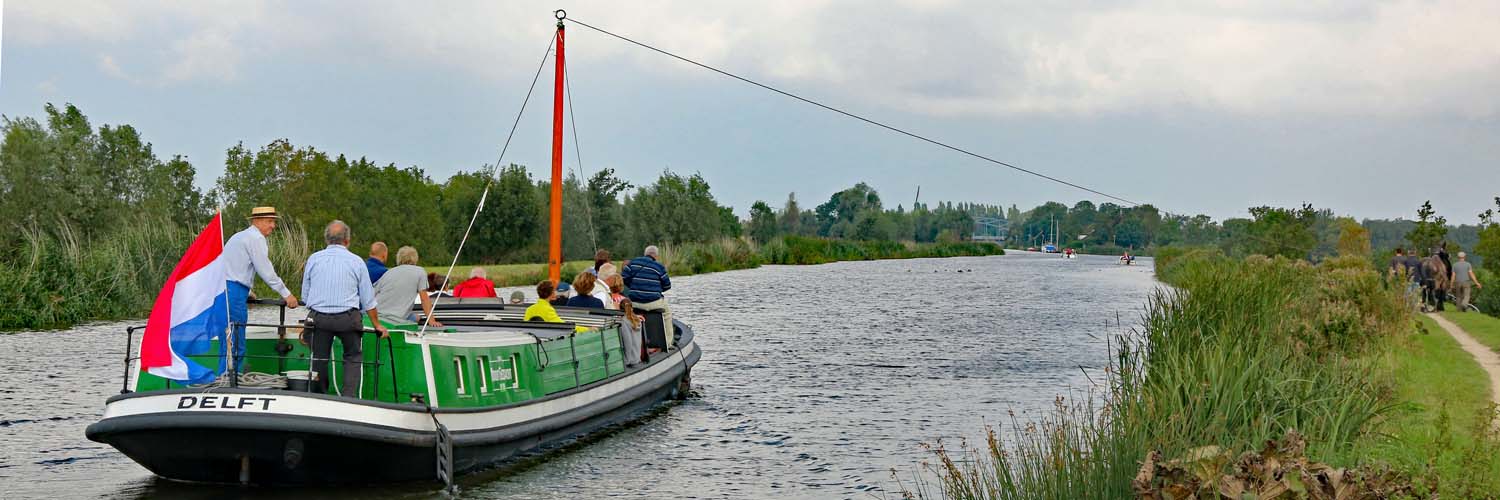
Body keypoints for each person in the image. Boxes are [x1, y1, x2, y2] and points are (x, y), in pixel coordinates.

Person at [302, 220, 388, 396]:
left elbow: (305, 296)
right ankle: (348, 398)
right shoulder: (356, 262)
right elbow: (368, 299)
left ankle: (319, 395)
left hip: (319, 318)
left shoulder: (314, 259)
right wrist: (377, 324)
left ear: (327, 240)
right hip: (348, 319)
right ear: (347, 241)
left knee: (319, 357)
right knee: (352, 356)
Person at [222, 206, 299, 372]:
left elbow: (231, 268)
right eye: (269, 221)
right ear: (257, 221)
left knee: (227, 338)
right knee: (236, 339)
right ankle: (232, 380)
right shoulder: (255, 239)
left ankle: (224, 376)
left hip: (225, 289)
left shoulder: (239, 237)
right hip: (234, 292)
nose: (273, 226)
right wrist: (287, 294)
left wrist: (248, 291)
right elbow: (266, 270)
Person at [373, 246, 442, 327]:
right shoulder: (420, 272)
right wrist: (432, 321)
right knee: (417, 318)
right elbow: (424, 299)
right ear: (415, 258)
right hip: (396, 319)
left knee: (415, 317)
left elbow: (372, 293)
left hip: (376, 316)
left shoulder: (389, 272)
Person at [622, 245, 673, 347]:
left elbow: (624, 278)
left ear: (645, 254)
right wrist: (655, 289)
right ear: (656, 256)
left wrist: (634, 286)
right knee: (667, 314)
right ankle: (668, 343)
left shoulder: (632, 263)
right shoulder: (659, 267)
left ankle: (634, 343)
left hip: (635, 303)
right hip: (654, 302)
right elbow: (667, 285)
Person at [617, 298, 646, 366]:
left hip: (630, 360)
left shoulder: (624, 322)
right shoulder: (637, 320)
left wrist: (627, 360)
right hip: (636, 357)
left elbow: (628, 342)